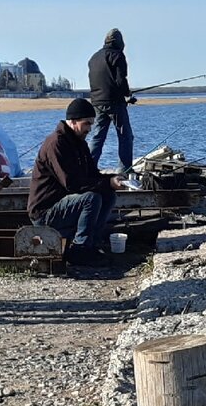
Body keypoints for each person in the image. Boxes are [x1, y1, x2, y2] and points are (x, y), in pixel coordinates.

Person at [28, 98, 127, 266]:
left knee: (108, 194)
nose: (89, 129)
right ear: (73, 122)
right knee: (91, 198)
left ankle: (91, 244)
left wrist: (112, 180)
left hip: (65, 204)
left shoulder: (79, 142)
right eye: (86, 124)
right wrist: (106, 183)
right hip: (45, 212)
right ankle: (80, 250)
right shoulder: (56, 143)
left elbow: (93, 175)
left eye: (91, 124)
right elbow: (72, 184)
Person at [87, 27, 136, 173]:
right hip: (114, 103)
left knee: (97, 136)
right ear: (119, 42)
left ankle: (89, 167)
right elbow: (121, 80)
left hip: (96, 102)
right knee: (125, 136)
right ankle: (125, 169)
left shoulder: (94, 58)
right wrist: (127, 95)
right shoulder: (117, 56)